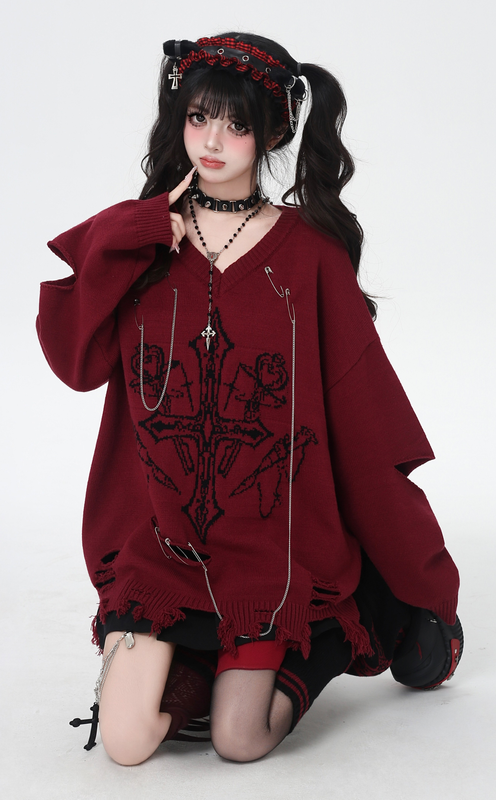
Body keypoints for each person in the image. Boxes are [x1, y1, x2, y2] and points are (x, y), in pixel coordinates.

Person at [37, 33, 462, 765]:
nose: (212, 141)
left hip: (269, 557)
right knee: (127, 743)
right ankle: (197, 668)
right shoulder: (143, 246)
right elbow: (74, 361)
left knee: (241, 739)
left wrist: (424, 584)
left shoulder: (309, 254)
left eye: (236, 125)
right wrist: (133, 229)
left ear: (272, 134)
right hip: (158, 553)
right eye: (199, 117)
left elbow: (366, 430)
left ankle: (328, 637)